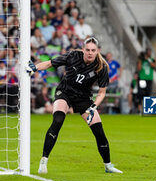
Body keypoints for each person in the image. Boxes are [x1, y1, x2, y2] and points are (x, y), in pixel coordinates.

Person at [25, 37, 123, 174]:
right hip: (65, 92)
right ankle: (43, 161)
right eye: (87, 50)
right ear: (83, 49)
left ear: (97, 51)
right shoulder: (73, 56)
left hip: (83, 98)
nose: (90, 53)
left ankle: (108, 165)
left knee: (99, 131)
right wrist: (35, 67)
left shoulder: (102, 67)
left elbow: (102, 93)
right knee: (58, 120)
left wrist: (93, 107)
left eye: (93, 50)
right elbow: (50, 63)